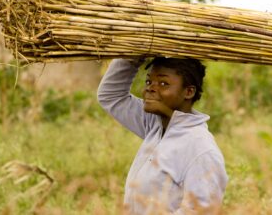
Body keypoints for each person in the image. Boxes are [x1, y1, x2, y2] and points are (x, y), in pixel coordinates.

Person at [97, 58, 228, 214]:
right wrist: (133, 57)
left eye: (163, 83)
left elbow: (202, 211)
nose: (150, 89)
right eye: (148, 82)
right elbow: (111, 96)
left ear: (189, 92)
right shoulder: (155, 125)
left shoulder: (200, 148)